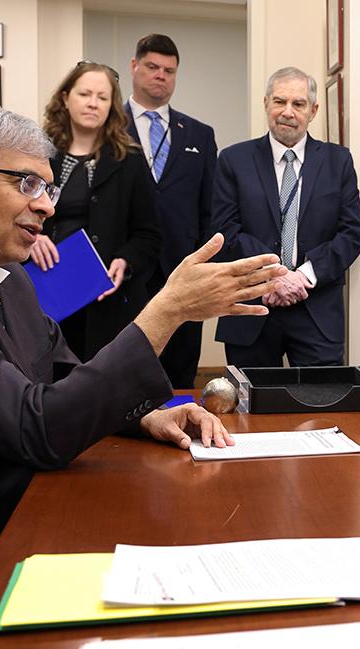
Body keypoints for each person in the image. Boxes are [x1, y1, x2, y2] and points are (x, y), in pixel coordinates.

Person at [0, 102, 284, 574]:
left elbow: (62, 375)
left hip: (39, 508)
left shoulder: (6, 271)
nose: (48, 206)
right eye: (26, 183)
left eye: (49, 188)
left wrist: (146, 416)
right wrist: (168, 311)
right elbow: (40, 427)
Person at [210, 66, 360, 367]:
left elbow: (351, 234)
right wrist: (275, 277)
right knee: (250, 410)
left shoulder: (338, 162)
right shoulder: (233, 160)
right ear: (266, 103)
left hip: (317, 311)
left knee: (322, 406)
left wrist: (302, 277)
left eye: (298, 104)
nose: (287, 112)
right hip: (252, 307)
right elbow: (225, 231)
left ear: (314, 110)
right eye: (279, 101)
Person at [31, 62, 160, 362]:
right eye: (85, 94)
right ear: (65, 98)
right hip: (47, 293)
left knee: (105, 388)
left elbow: (149, 234)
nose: (93, 103)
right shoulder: (38, 153)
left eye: (102, 97)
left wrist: (125, 261)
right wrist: (33, 238)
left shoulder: (130, 160)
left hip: (108, 301)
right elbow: (13, 213)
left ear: (111, 106)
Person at [125, 34, 218, 389]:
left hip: (183, 270)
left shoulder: (199, 134)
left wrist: (205, 265)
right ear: (134, 67)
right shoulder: (105, 128)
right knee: (126, 371)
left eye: (169, 71)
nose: (160, 76)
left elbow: (209, 209)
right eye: (152, 67)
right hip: (125, 273)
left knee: (179, 375)